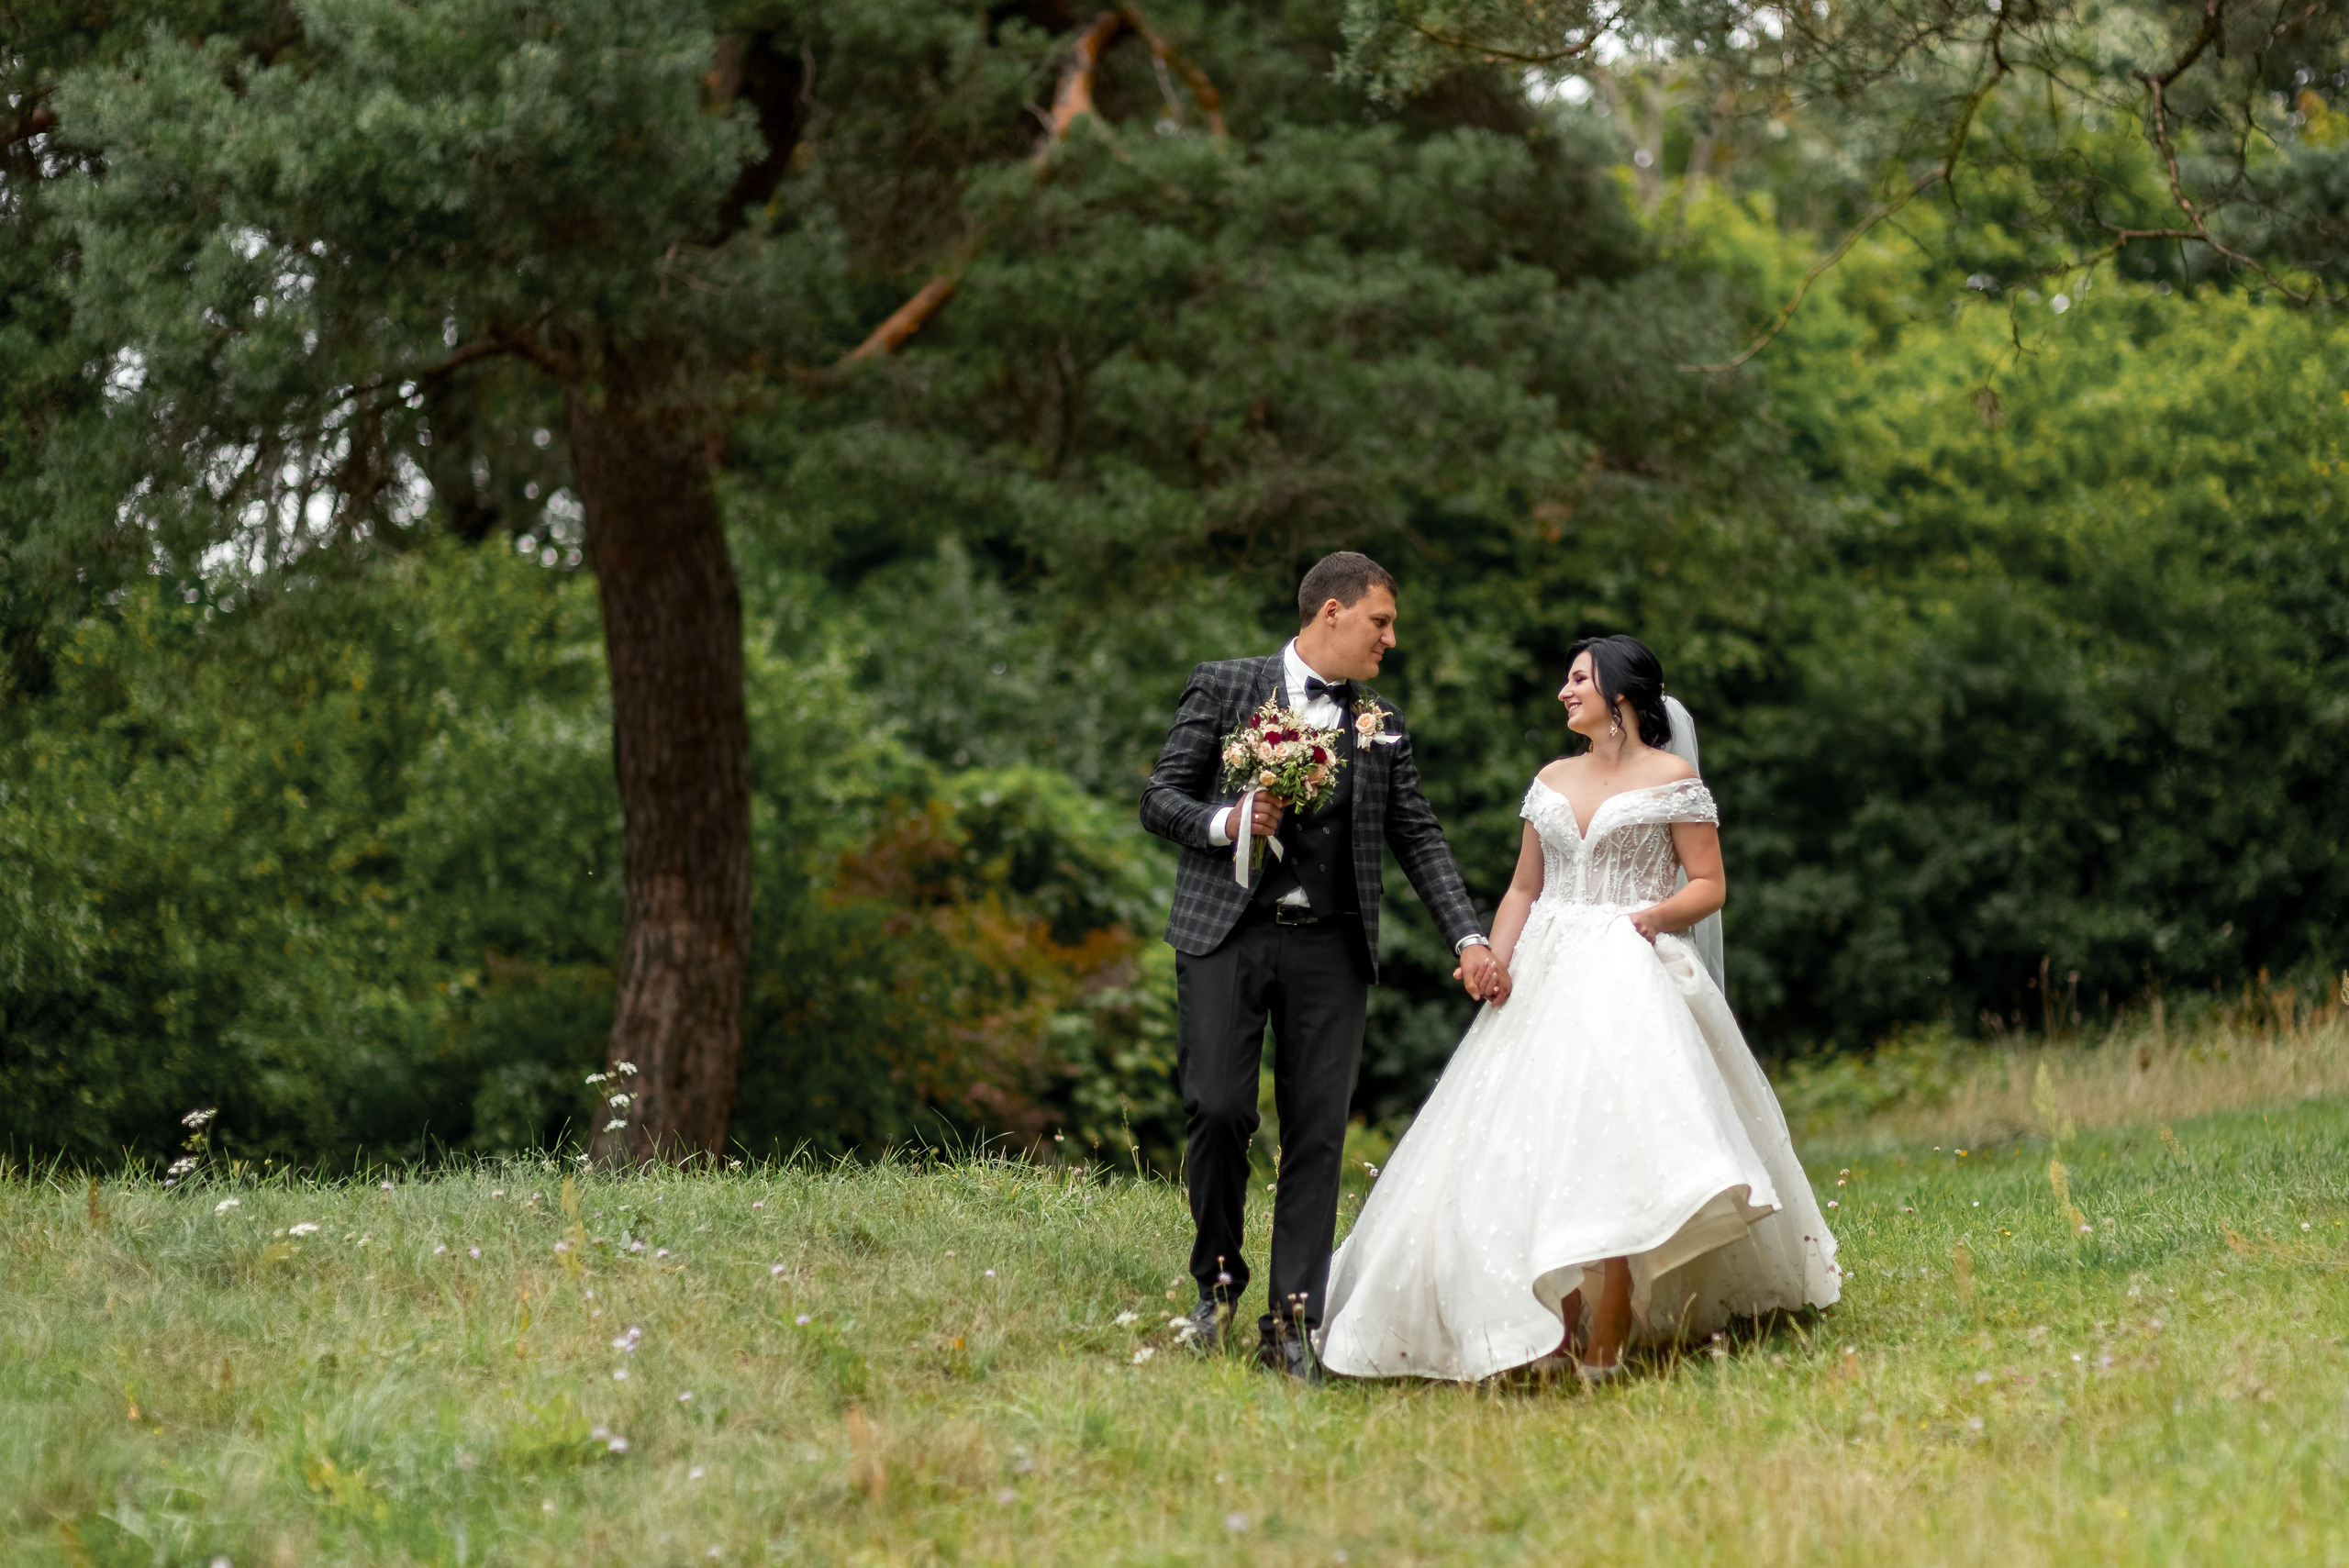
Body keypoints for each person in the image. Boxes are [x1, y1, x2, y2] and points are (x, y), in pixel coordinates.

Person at [1315, 634, 1840, 1383]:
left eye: (1578, 679)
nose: (1565, 691)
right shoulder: (1552, 777)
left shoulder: (1672, 777)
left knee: (1612, 1139)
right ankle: (1548, 1325)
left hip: (1631, 968)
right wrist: (1494, 955)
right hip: (1546, 970)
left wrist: (1649, 919)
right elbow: (1524, 887)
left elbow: (1709, 884)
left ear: (1620, 694)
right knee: (1527, 1142)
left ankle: (1614, 1318)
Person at [1140, 551, 1502, 1383]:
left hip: (1331, 948)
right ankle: (1217, 1285)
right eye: (1381, 620)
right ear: (1330, 613)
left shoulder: (1382, 720)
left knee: (1317, 1134)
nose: (1391, 638)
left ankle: (1291, 1322)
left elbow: (1418, 835)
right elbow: (1161, 797)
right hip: (1225, 933)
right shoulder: (1226, 685)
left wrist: (1468, 938)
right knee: (1219, 1106)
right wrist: (1231, 819)